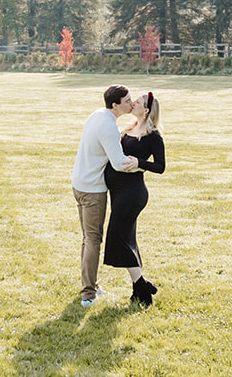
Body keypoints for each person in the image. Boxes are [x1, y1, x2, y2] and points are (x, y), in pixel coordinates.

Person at [71, 84, 139, 307]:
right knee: (93, 240)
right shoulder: (108, 126)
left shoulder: (97, 115)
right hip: (92, 191)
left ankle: (91, 284)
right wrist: (141, 164)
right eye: (127, 101)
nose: (131, 104)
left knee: (87, 239)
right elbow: (119, 163)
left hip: (79, 184)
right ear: (115, 105)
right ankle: (88, 294)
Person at [104, 91, 165, 306]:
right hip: (119, 192)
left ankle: (142, 286)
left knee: (118, 238)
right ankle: (139, 289)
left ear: (146, 110)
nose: (132, 104)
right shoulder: (128, 129)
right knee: (128, 239)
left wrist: (139, 163)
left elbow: (160, 167)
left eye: (137, 102)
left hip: (132, 194)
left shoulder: (153, 136)